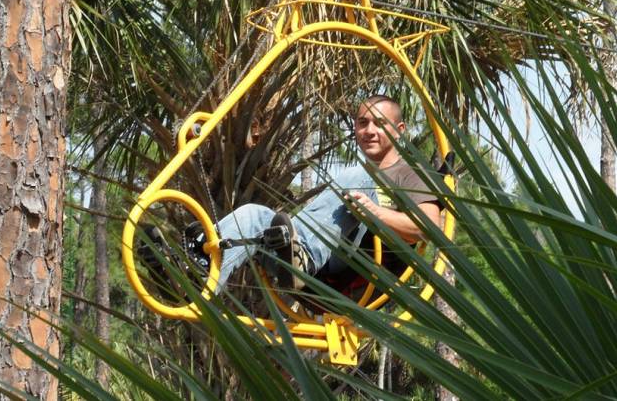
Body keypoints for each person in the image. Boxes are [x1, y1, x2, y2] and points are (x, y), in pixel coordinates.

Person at [141, 95, 442, 294]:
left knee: (359, 176)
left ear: (399, 130)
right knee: (253, 215)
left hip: (360, 271)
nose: (370, 131)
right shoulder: (358, 175)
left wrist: (375, 213)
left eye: (380, 123)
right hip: (311, 266)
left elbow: (429, 230)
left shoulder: (410, 173)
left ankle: (304, 254)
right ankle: (190, 278)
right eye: (363, 123)